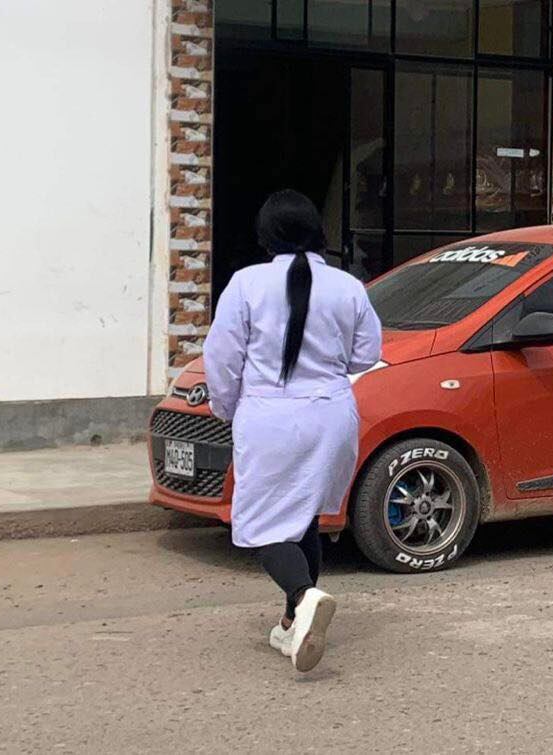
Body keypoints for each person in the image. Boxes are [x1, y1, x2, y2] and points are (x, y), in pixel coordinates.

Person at [203, 190, 383, 673]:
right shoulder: (348, 287)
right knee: (302, 518)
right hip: (331, 413)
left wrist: (226, 408)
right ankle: (292, 624)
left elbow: (222, 359)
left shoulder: (246, 284)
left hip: (270, 416)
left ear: (266, 236)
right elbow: (366, 355)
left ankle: (304, 596)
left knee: (261, 526)